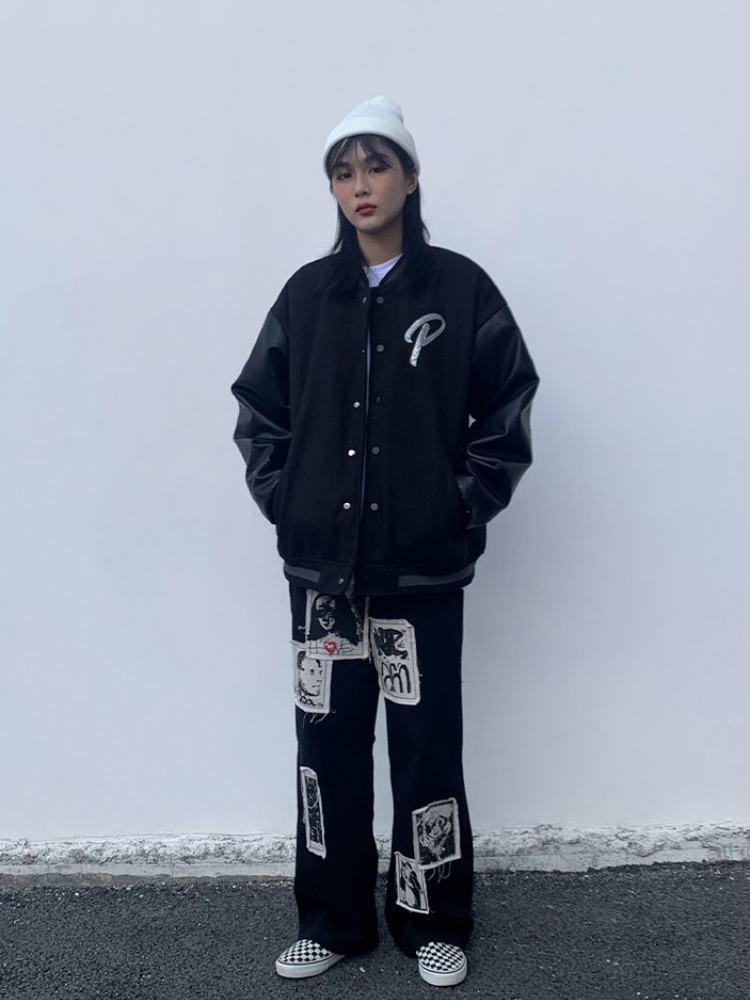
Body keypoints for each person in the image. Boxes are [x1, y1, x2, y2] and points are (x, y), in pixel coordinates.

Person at [231, 96, 539, 988]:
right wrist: (289, 502)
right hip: (322, 576)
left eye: (376, 166)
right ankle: (331, 920)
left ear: (410, 177)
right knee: (325, 751)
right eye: (343, 172)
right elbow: (259, 413)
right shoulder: (307, 296)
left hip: (422, 572)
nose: (360, 186)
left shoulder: (460, 291)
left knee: (425, 749)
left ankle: (433, 918)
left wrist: (457, 507)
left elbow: (507, 407)